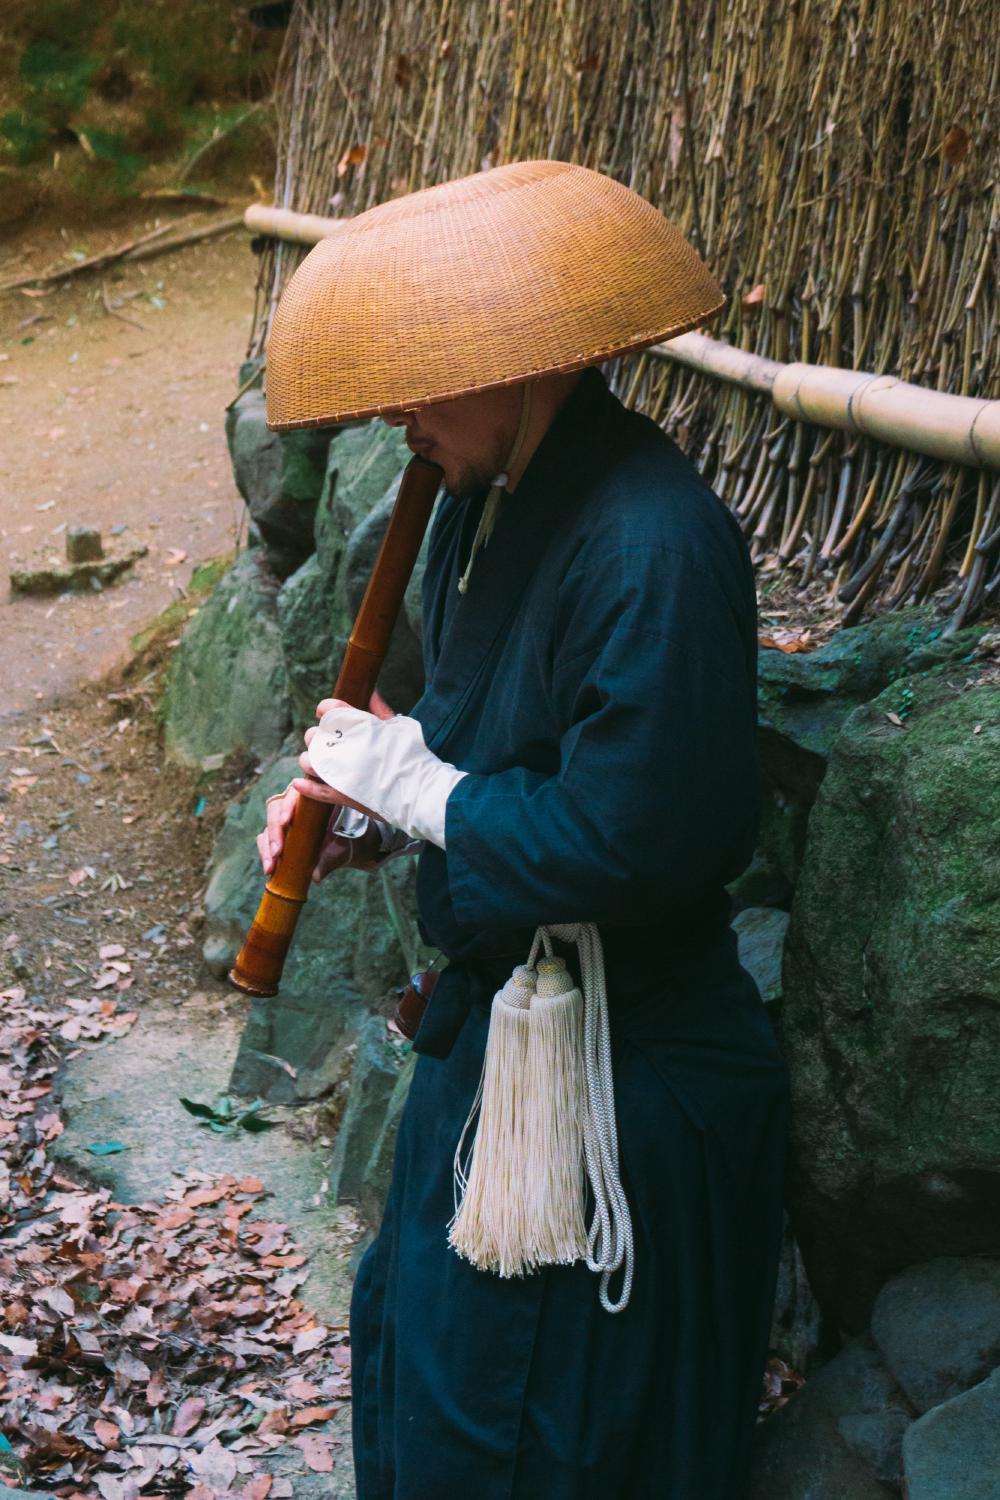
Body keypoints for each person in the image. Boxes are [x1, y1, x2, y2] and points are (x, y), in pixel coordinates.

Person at [256, 160, 790, 1499]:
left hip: (622, 1067)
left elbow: (636, 834)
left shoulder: (653, 544)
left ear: (529, 361)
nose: (401, 414)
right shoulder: (479, 502)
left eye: (428, 382)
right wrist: (375, 821)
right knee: (436, 1395)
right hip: (503, 1040)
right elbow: (478, 744)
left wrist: (423, 793)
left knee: (558, 1439)